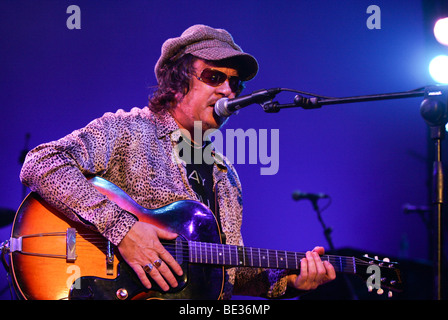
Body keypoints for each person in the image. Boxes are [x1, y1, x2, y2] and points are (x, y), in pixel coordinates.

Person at [20, 24, 336, 300]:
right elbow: (41, 163)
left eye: (235, 83)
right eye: (214, 77)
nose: (228, 90)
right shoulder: (128, 130)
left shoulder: (226, 175)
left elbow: (225, 272)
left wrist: (288, 281)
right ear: (177, 81)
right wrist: (123, 229)